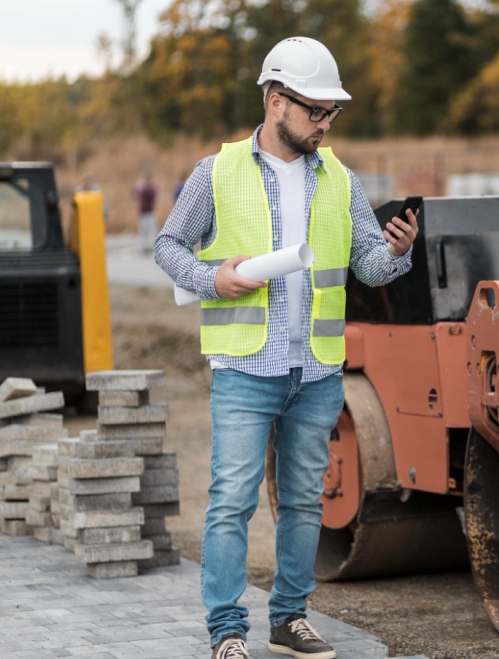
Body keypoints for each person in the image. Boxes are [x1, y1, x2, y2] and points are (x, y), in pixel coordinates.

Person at [154, 36, 419, 659]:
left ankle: (289, 618)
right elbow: (169, 246)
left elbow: (369, 268)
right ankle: (226, 630)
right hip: (246, 368)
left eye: (332, 113)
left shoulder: (341, 180)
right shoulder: (216, 171)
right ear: (276, 102)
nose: (325, 124)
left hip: (318, 371)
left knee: (303, 501)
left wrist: (398, 253)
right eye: (315, 111)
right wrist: (212, 277)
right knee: (231, 503)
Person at [133, 173, 157, 252]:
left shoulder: (141, 188)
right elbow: (152, 195)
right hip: (145, 212)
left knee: (150, 230)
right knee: (145, 230)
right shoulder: (144, 188)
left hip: (147, 212)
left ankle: (148, 245)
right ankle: (143, 246)